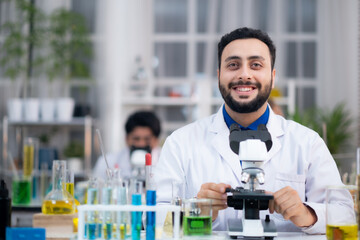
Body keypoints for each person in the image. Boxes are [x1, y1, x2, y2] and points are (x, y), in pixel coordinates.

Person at [154, 27, 352, 234]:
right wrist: (196, 210)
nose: (244, 74)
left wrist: (306, 213)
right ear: (219, 76)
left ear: (273, 76)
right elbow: (153, 218)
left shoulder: (307, 143)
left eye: (256, 65)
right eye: (233, 65)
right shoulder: (180, 142)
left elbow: (345, 215)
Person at [93, 110, 161, 180]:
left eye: (147, 139)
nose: (141, 144)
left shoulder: (166, 164)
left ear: (156, 140)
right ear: (127, 139)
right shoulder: (107, 162)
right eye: (136, 139)